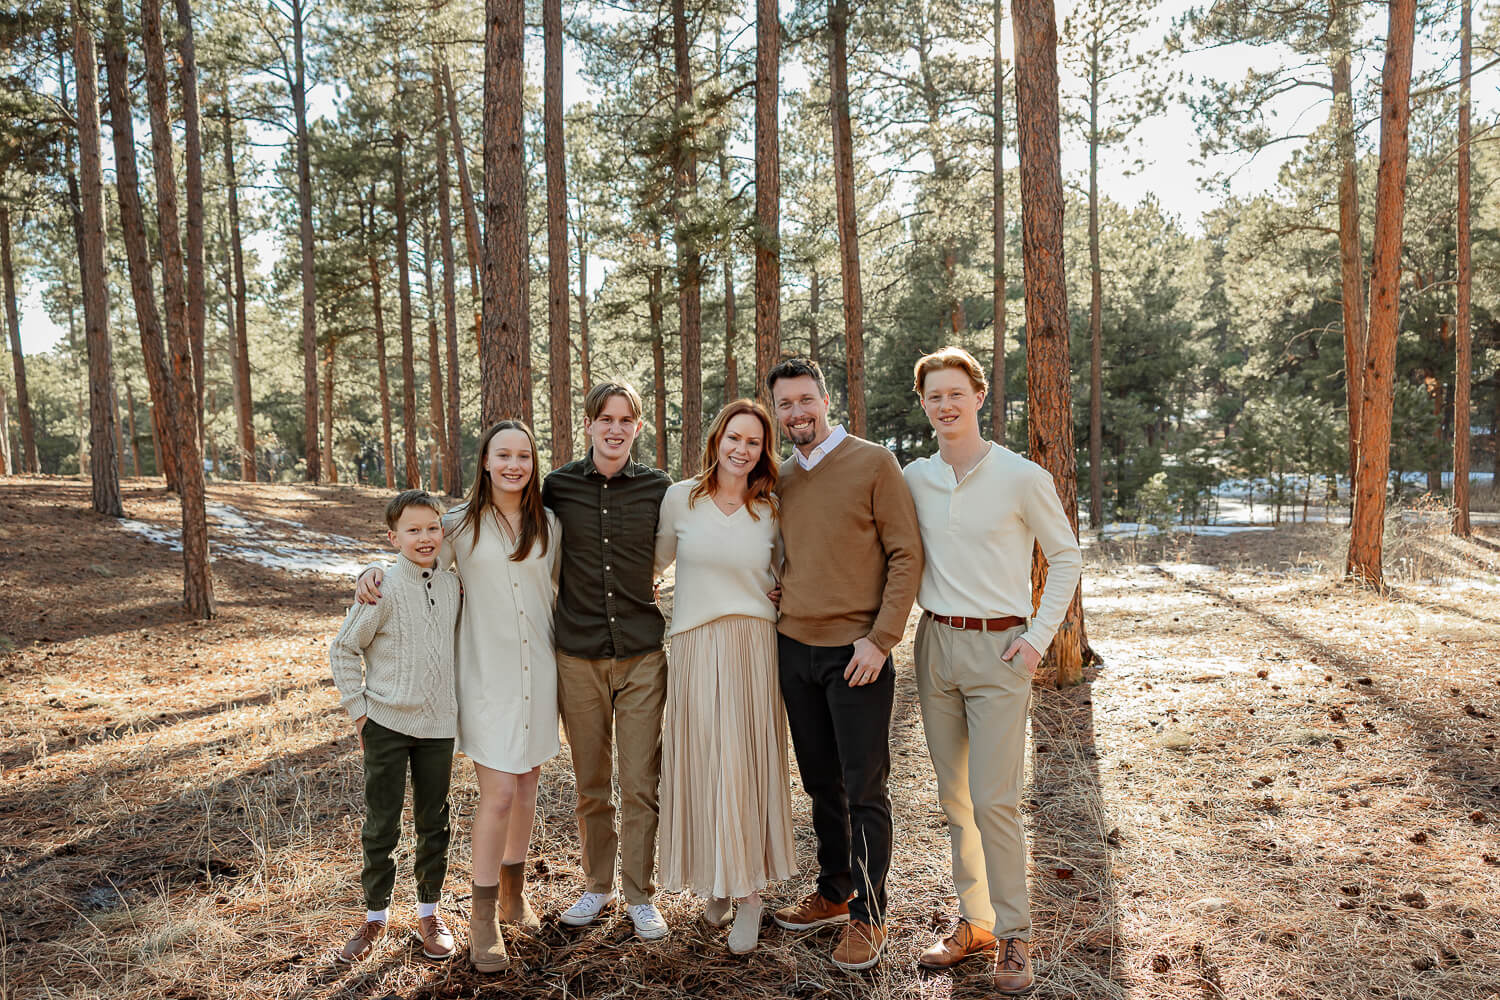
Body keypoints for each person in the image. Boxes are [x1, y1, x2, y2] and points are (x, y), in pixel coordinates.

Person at [902, 347, 1083, 995]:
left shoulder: (1019, 476)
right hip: (935, 645)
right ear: (923, 406)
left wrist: (1037, 640)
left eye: (956, 393)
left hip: (1002, 650)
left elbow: (1065, 557)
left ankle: (1014, 937)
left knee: (994, 800)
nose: (945, 405)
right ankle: (974, 922)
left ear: (979, 397)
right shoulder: (915, 477)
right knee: (955, 800)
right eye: (933, 397)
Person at [355, 421, 562, 972]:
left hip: (538, 674)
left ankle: (516, 891)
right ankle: (483, 912)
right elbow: (413, 561)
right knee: (496, 794)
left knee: (526, 786)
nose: (514, 465)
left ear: (533, 462)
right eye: (503, 455)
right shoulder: (458, 527)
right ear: (486, 462)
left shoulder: (551, 526)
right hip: (485, 677)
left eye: (524, 455)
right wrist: (370, 571)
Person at [765, 357, 924, 971]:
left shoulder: (873, 462)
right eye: (785, 405)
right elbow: (785, 552)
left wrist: (881, 640)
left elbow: (906, 554)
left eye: (806, 400)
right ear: (776, 412)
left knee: (863, 786)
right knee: (819, 781)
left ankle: (869, 916)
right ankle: (835, 891)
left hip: (856, 652)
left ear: (826, 400)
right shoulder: (780, 477)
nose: (797, 413)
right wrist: (778, 586)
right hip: (793, 649)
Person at [653, 399, 796, 955]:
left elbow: (789, 570)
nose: (742, 449)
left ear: (764, 451)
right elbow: (652, 568)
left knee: (743, 765)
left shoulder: (772, 508)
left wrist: (788, 592)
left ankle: (750, 896)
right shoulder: (680, 500)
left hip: (753, 646)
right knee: (705, 763)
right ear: (716, 440)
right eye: (733, 438)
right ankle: (719, 876)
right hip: (693, 644)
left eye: (754, 442)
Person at [542, 381, 675, 940]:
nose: (615, 429)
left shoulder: (658, 489)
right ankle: (597, 887)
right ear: (589, 425)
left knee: (642, 781)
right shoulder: (557, 486)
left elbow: (697, 541)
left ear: (637, 428)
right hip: (578, 655)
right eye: (606, 419)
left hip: (643, 655)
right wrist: (388, 563)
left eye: (626, 420)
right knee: (591, 783)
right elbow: (492, 516)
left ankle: (640, 895)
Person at [330, 489, 462, 965]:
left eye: (432, 528)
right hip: (385, 722)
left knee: (435, 821)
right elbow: (343, 648)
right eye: (413, 529)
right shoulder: (382, 587)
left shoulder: (452, 586)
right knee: (381, 823)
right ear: (393, 537)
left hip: (439, 725)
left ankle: (429, 912)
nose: (425, 537)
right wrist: (359, 711)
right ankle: (374, 918)